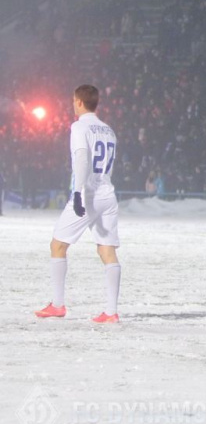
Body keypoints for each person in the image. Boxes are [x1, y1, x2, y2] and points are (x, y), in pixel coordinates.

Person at [35, 85, 122, 323]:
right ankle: (112, 312)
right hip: (108, 193)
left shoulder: (79, 127)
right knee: (107, 250)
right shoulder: (108, 130)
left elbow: (82, 158)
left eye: (74, 101)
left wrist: (76, 193)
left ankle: (58, 305)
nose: (72, 104)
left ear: (80, 102)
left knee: (58, 245)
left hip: (88, 193)